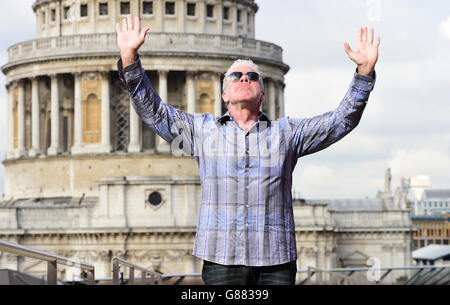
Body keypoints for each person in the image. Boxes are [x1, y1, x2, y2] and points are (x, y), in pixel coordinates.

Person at [116, 15, 380, 285]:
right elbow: (154, 114)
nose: (244, 78)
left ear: (263, 95)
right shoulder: (202, 132)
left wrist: (364, 73)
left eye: (252, 76)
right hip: (222, 259)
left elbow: (341, 121)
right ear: (225, 95)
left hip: (275, 261)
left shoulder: (287, 134)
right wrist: (129, 59)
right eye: (236, 76)